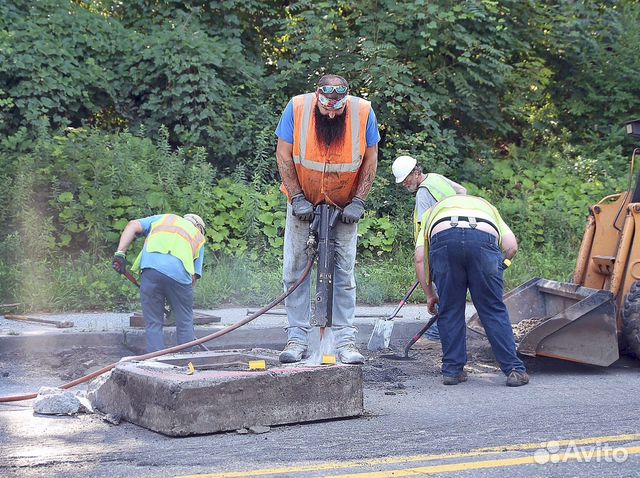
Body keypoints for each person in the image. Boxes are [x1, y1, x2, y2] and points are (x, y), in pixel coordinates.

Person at [275, 74, 381, 364]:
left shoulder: (362, 112)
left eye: (337, 108)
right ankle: (297, 337)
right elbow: (283, 154)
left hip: (345, 202)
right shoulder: (297, 108)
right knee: (296, 270)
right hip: (302, 199)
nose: (332, 113)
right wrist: (296, 197)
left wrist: (359, 200)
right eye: (326, 108)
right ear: (317, 97)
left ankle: (344, 339)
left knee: (344, 272)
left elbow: (371, 158)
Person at [414, 195, 529, 386]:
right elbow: (511, 248)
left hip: (444, 240)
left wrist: (430, 295)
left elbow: (420, 257)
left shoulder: (431, 212)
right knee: (492, 309)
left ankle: (452, 371)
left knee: (450, 309)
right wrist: (501, 266)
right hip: (483, 241)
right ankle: (514, 370)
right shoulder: (487, 207)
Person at [392, 155, 467, 341]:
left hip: (440, 247)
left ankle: (437, 336)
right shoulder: (436, 178)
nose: (403, 184)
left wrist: (424, 263)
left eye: (405, 179)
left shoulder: (423, 194)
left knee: (442, 291)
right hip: (461, 236)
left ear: (416, 172)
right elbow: (463, 191)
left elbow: (426, 231)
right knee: (452, 291)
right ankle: (452, 333)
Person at [112, 213, 206, 353]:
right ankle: (187, 359)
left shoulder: (164, 219)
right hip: (179, 277)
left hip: (150, 272)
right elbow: (193, 278)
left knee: (153, 322)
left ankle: (156, 361)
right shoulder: (198, 236)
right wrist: (178, 305)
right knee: (185, 321)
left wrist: (120, 253)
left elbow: (132, 225)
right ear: (199, 227)